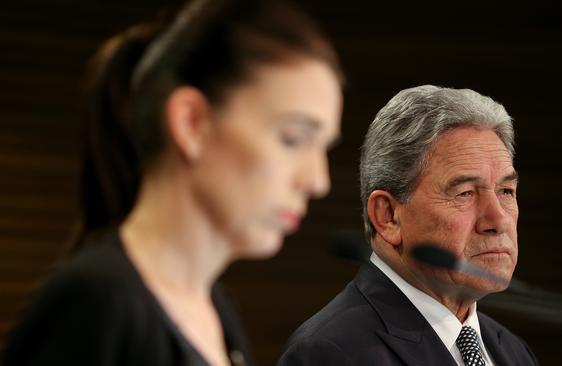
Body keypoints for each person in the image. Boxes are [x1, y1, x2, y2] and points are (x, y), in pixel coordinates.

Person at [3, 0, 342, 365]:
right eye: (292, 138)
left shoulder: (215, 309)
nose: (317, 181)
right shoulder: (96, 301)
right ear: (191, 123)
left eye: (323, 148)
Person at [279, 85, 538, 365]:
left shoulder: (512, 352)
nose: (498, 220)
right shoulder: (331, 353)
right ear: (388, 216)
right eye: (465, 193)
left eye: (506, 192)